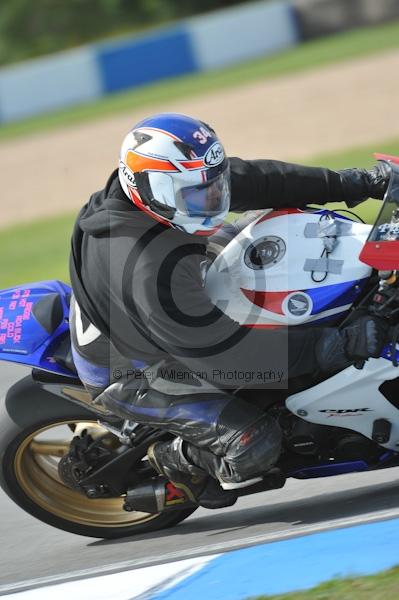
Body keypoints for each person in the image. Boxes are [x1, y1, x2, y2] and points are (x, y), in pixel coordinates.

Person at [69, 112, 390, 510]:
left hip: (162, 309)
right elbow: (225, 357)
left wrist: (354, 182)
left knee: (282, 234)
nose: (214, 200)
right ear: (153, 188)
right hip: (132, 369)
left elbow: (257, 180)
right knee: (257, 444)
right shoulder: (146, 267)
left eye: (214, 187)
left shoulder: (171, 190)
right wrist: (332, 344)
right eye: (199, 196)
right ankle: (178, 460)